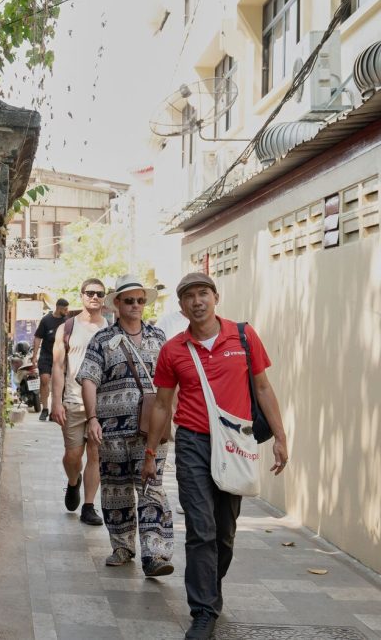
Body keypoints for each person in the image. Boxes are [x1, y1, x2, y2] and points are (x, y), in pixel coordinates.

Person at [141, 272, 288, 640]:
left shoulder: (243, 336)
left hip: (236, 443)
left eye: (203, 293)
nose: (197, 301)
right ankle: (203, 611)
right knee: (200, 528)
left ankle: (210, 586)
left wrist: (281, 437)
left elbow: (264, 388)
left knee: (224, 532)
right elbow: (161, 404)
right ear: (181, 306)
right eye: (189, 296)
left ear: (215, 297)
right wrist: (150, 452)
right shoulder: (173, 350)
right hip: (193, 442)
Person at [77, 275, 175, 574]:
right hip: (112, 431)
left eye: (140, 300)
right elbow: (89, 379)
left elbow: (173, 381)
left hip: (152, 431)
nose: (135, 305)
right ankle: (122, 546)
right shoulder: (102, 340)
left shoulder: (159, 337)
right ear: (117, 304)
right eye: (129, 300)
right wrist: (92, 418)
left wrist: (175, 411)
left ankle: (155, 555)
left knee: (152, 488)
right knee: (116, 489)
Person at [50, 279, 109, 525]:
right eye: (90, 293)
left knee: (95, 455)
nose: (94, 297)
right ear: (82, 295)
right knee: (73, 455)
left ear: (104, 297)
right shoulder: (68, 327)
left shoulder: (111, 328)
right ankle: (73, 482)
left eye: (99, 293)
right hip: (73, 400)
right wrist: (56, 402)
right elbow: (58, 365)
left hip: (102, 403)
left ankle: (88, 506)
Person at [32, 298, 70, 421]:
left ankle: (55, 410)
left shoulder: (67, 322)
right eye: (65, 309)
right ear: (58, 308)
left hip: (60, 357)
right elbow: (38, 337)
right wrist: (34, 356)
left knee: (57, 384)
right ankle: (45, 409)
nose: (67, 311)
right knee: (44, 380)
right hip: (46, 356)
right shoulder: (46, 320)